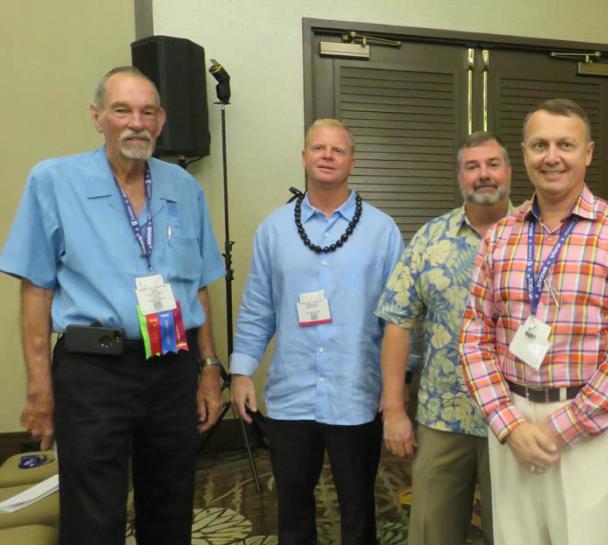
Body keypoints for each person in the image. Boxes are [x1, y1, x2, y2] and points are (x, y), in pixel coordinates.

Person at [0, 66, 226, 545]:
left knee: (171, 504)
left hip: (171, 366)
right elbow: (35, 292)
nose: (136, 123)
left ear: (162, 121)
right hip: (93, 370)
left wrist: (208, 368)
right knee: (93, 515)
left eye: (147, 112)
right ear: (97, 116)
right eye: (122, 110)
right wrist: (40, 389)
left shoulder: (185, 189)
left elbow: (198, 288)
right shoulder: (54, 181)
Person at [459, 98, 608, 545]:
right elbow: (474, 337)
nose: (552, 156)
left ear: (588, 153)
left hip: (589, 423)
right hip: (512, 421)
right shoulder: (500, 236)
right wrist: (508, 424)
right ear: (524, 154)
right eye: (539, 145)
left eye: (565, 144)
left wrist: (561, 428)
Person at [229, 119, 402, 545]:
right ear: (304, 156)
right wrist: (241, 371)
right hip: (292, 397)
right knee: (292, 512)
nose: (327, 156)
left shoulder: (382, 231)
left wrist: (397, 389)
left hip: (357, 394)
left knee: (360, 510)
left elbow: (398, 317)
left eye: (337, 150)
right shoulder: (274, 229)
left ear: (352, 161)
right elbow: (257, 308)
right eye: (319, 148)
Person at [375, 131, 513, 545]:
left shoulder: (537, 234)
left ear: (508, 171)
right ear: (459, 177)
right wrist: (394, 409)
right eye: (472, 167)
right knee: (432, 531)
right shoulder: (430, 239)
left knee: (514, 533)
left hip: (515, 416)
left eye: (492, 164)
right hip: (442, 415)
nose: (483, 175)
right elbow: (397, 322)